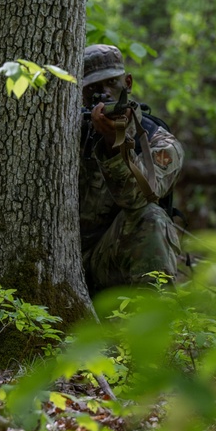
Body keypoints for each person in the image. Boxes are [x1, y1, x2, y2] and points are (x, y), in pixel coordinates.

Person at [79, 43, 184, 294]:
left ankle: (156, 321)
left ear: (128, 82)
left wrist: (115, 146)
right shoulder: (66, 132)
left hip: (114, 261)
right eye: (92, 88)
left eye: (111, 84)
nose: (103, 95)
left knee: (152, 217)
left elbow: (140, 199)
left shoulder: (157, 141)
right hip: (63, 261)